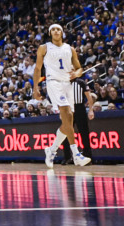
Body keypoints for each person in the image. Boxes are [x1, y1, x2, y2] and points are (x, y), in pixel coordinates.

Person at [32, 24, 91, 168]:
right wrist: (35, 87)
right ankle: (76, 154)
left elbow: (79, 69)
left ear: (62, 32)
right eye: (53, 29)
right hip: (53, 82)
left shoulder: (70, 49)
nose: (56, 31)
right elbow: (38, 68)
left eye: (58, 29)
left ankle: (51, 150)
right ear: (50, 33)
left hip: (67, 84)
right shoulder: (44, 48)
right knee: (67, 112)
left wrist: (76, 73)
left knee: (68, 122)